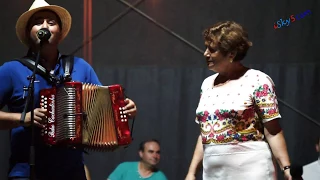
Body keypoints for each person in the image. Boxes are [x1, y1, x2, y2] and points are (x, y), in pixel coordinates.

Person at [0, 0, 137, 179]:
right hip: (27, 172)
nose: (44, 26)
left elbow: (103, 107)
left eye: (51, 22)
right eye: (38, 22)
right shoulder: (11, 70)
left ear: (60, 32)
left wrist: (124, 108)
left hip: (72, 172)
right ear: (29, 32)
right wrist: (21, 118)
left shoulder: (80, 67)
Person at [184, 21, 294, 180]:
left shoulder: (258, 80)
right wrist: (191, 172)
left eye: (212, 49)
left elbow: (273, 130)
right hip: (213, 173)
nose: (205, 53)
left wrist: (286, 168)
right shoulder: (207, 84)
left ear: (231, 54)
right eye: (206, 48)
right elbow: (204, 133)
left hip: (251, 170)